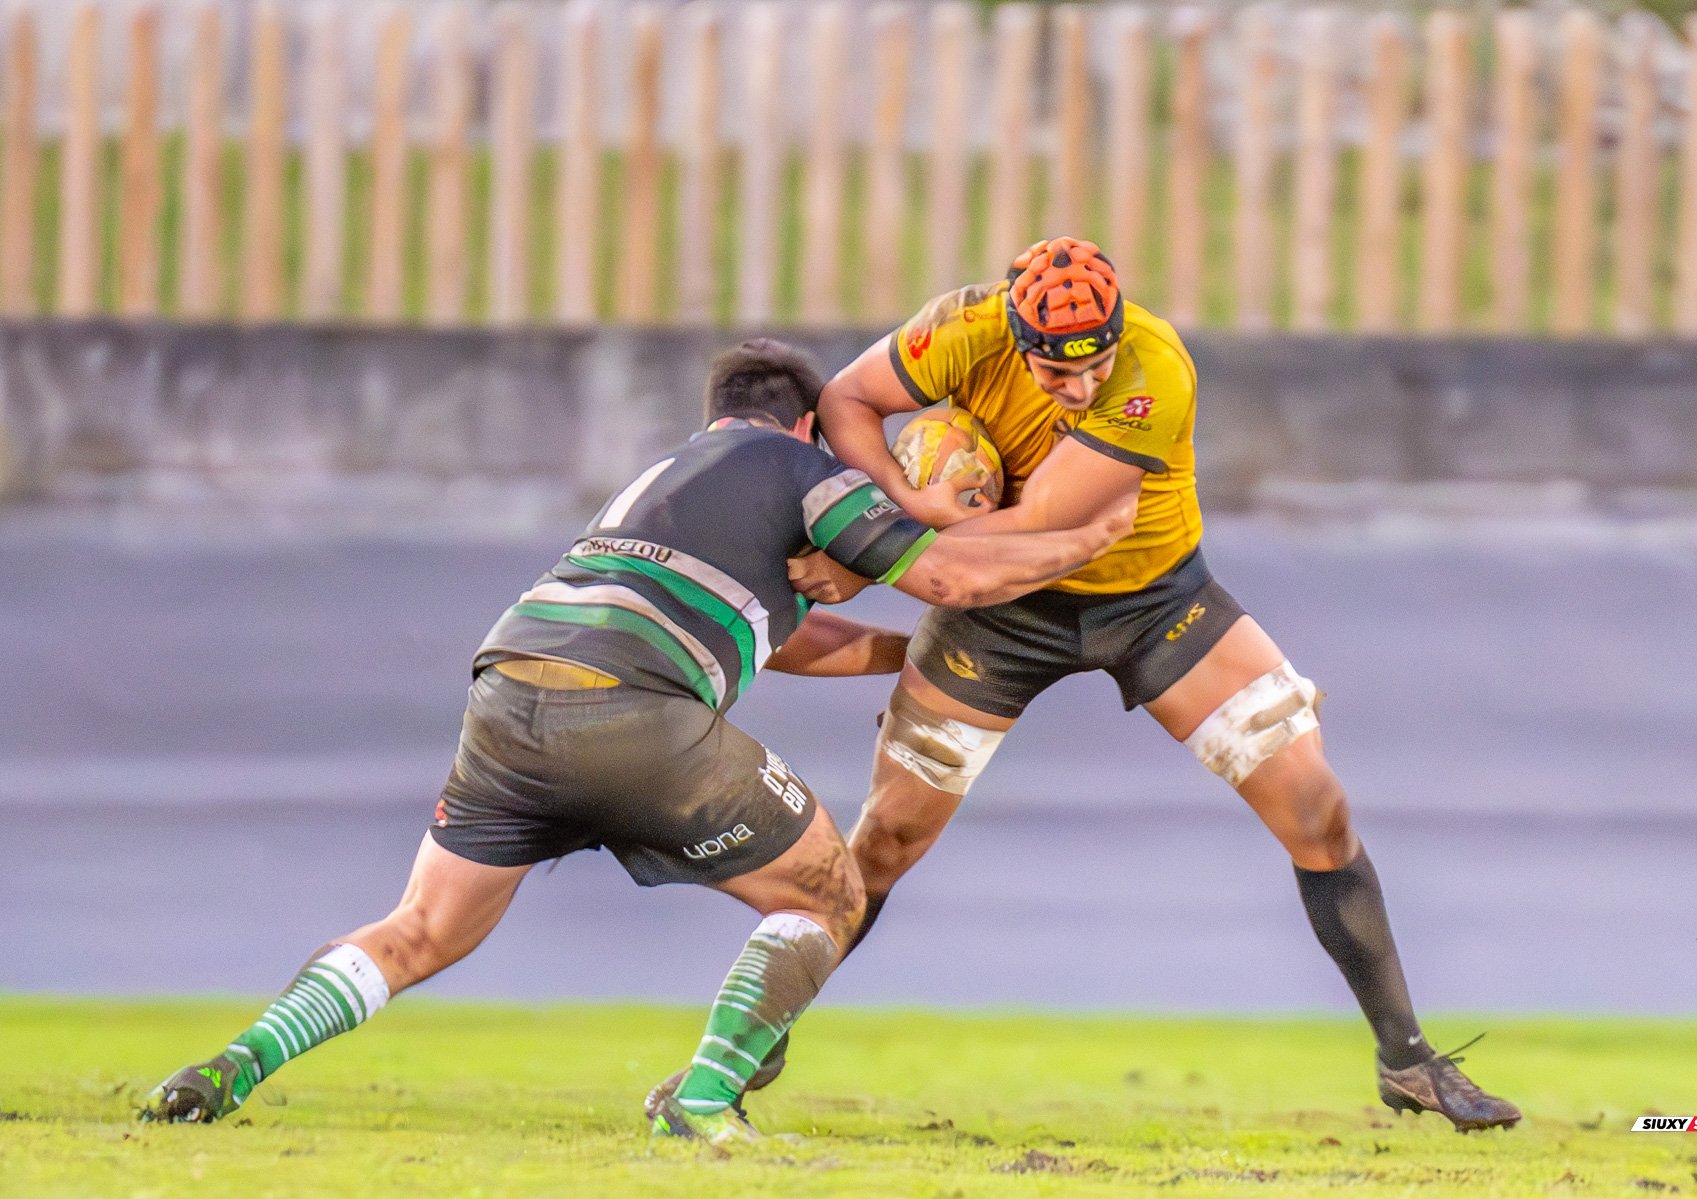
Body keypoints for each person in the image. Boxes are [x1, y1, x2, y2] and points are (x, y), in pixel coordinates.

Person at [140, 338, 1131, 1145]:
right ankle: (701, 1101)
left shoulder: (669, 477)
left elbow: (764, 631)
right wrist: (1081, 542)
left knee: (418, 931)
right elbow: (951, 579)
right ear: (806, 422)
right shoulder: (799, 465)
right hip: (630, 713)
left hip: (508, 697)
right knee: (826, 889)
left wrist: (895, 655)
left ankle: (235, 1063)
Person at [788, 237, 1520, 1131]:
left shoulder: (1153, 366)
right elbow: (847, 398)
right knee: (887, 842)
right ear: (1015, 340)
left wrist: (892, 539)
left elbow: (1049, 520)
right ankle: (743, 1044)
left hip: (1152, 599)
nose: (1082, 386)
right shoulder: (965, 326)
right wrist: (911, 494)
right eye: (1058, 374)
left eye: (1094, 364)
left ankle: (1406, 1059)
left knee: (1319, 811)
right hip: (1000, 616)